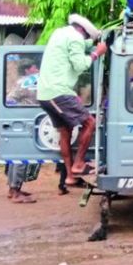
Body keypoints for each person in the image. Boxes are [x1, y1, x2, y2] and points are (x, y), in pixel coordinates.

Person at [37, 14, 107, 188]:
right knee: (90, 123)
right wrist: (96, 54)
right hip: (59, 92)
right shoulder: (76, 38)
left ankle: (70, 176)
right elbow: (80, 65)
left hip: (46, 94)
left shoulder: (60, 33)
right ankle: (78, 164)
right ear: (83, 31)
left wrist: (96, 42)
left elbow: (83, 44)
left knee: (65, 132)